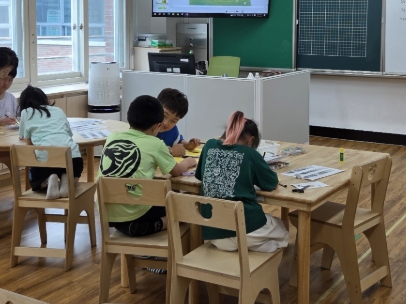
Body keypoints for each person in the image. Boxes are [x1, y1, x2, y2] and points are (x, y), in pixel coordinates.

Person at [98, 95, 196, 237]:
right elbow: (176, 171)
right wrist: (188, 162)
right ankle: (156, 224)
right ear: (157, 126)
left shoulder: (112, 137)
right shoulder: (156, 144)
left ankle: (128, 226)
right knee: (185, 206)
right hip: (134, 209)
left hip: (106, 209)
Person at [195, 111, 289, 253]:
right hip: (246, 228)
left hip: (215, 235)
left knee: (254, 239)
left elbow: (200, 175)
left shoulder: (209, 145)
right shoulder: (250, 153)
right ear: (251, 140)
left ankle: (246, 251)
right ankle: (259, 251)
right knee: (282, 228)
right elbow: (272, 183)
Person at [18, 85, 82, 199]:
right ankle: (68, 180)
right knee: (75, 173)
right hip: (72, 157)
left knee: (35, 180)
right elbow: (69, 134)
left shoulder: (26, 112)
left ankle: (48, 180)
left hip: (46, 160)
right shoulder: (58, 110)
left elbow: (29, 144)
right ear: (45, 99)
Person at [156, 88, 201, 157]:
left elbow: (178, 141)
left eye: (173, 121)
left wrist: (188, 145)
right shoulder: (146, 127)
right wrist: (171, 152)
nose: (166, 123)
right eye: (164, 115)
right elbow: (146, 152)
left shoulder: (172, 130)